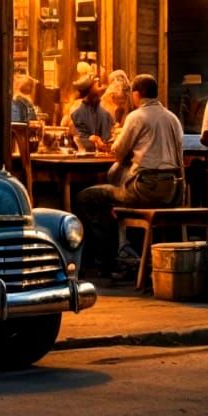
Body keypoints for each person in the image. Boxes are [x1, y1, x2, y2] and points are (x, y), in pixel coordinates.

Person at [77, 74, 185, 279]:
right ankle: (123, 254)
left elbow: (118, 152)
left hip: (143, 188)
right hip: (170, 190)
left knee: (88, 197)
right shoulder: (172, 118)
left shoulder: (137, 117)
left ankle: (106, 260)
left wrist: (115, 142)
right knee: (110, 197)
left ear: (136, 94)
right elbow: (179, 158)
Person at [67, 75, 113, 152]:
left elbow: (109, 137)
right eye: (95, 87)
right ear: (89, 91)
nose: (98, 89)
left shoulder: (105, 112)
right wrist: (93, 140)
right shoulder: (77, 115)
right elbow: (79, 139)